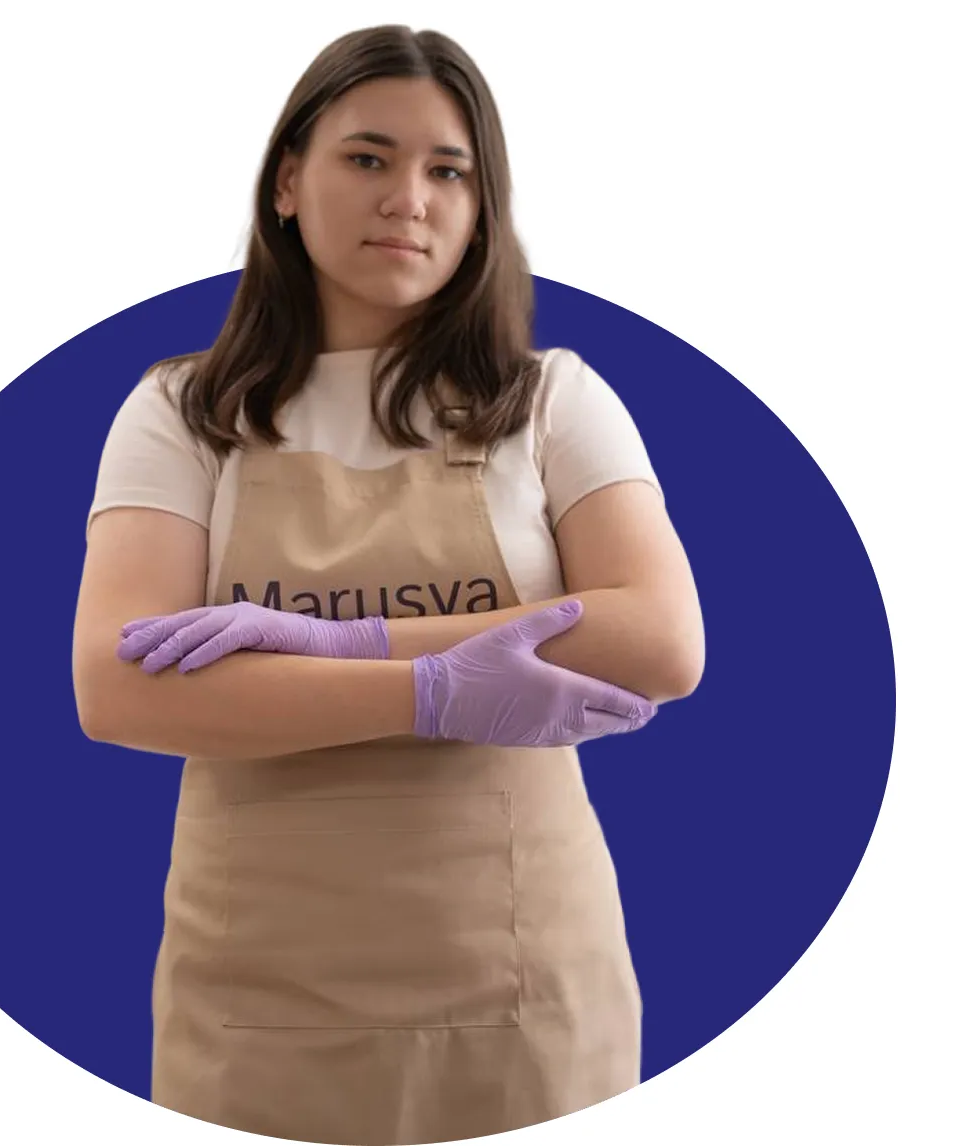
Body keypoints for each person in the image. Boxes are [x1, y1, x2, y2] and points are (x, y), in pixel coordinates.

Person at [72, 22, 705, 1145]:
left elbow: (659, 639)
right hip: (256, 1000)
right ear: (286, 183)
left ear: (481, 208)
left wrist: (345, 651)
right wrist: (433, 692)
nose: (407, 197)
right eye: (367, 157)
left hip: (527, 987)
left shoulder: (551, 401)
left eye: (447, 170)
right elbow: (119, 690)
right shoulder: (180, 414)